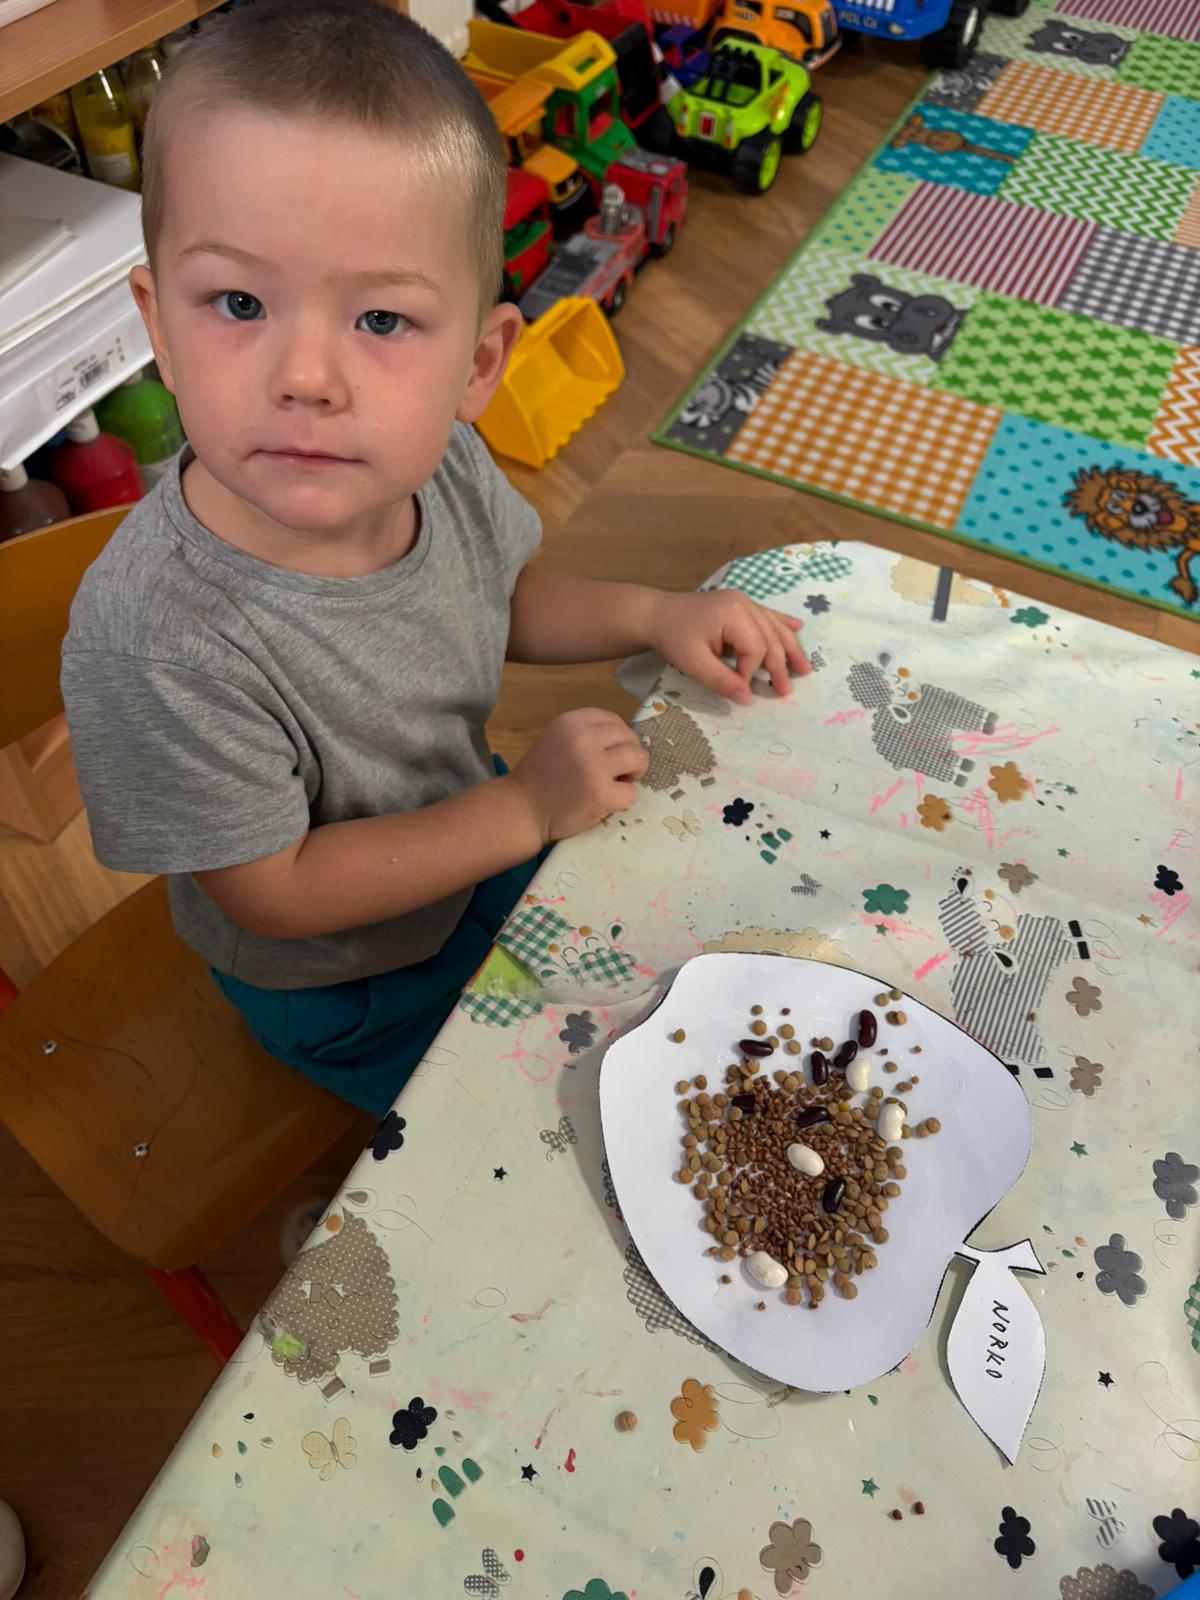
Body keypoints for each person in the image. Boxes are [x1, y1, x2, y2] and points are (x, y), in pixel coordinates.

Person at [61, 0, 809, 1117]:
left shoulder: (434, 463)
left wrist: (655, 614)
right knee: (551, 1118)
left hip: (473, 839)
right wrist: (524, 812)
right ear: (158, 323)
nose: (305, 376)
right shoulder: (155, 637)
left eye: (381, 321)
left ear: (477, 363)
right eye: (239, 302)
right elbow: (272, 892)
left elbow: (501, 597)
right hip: (344, 980)